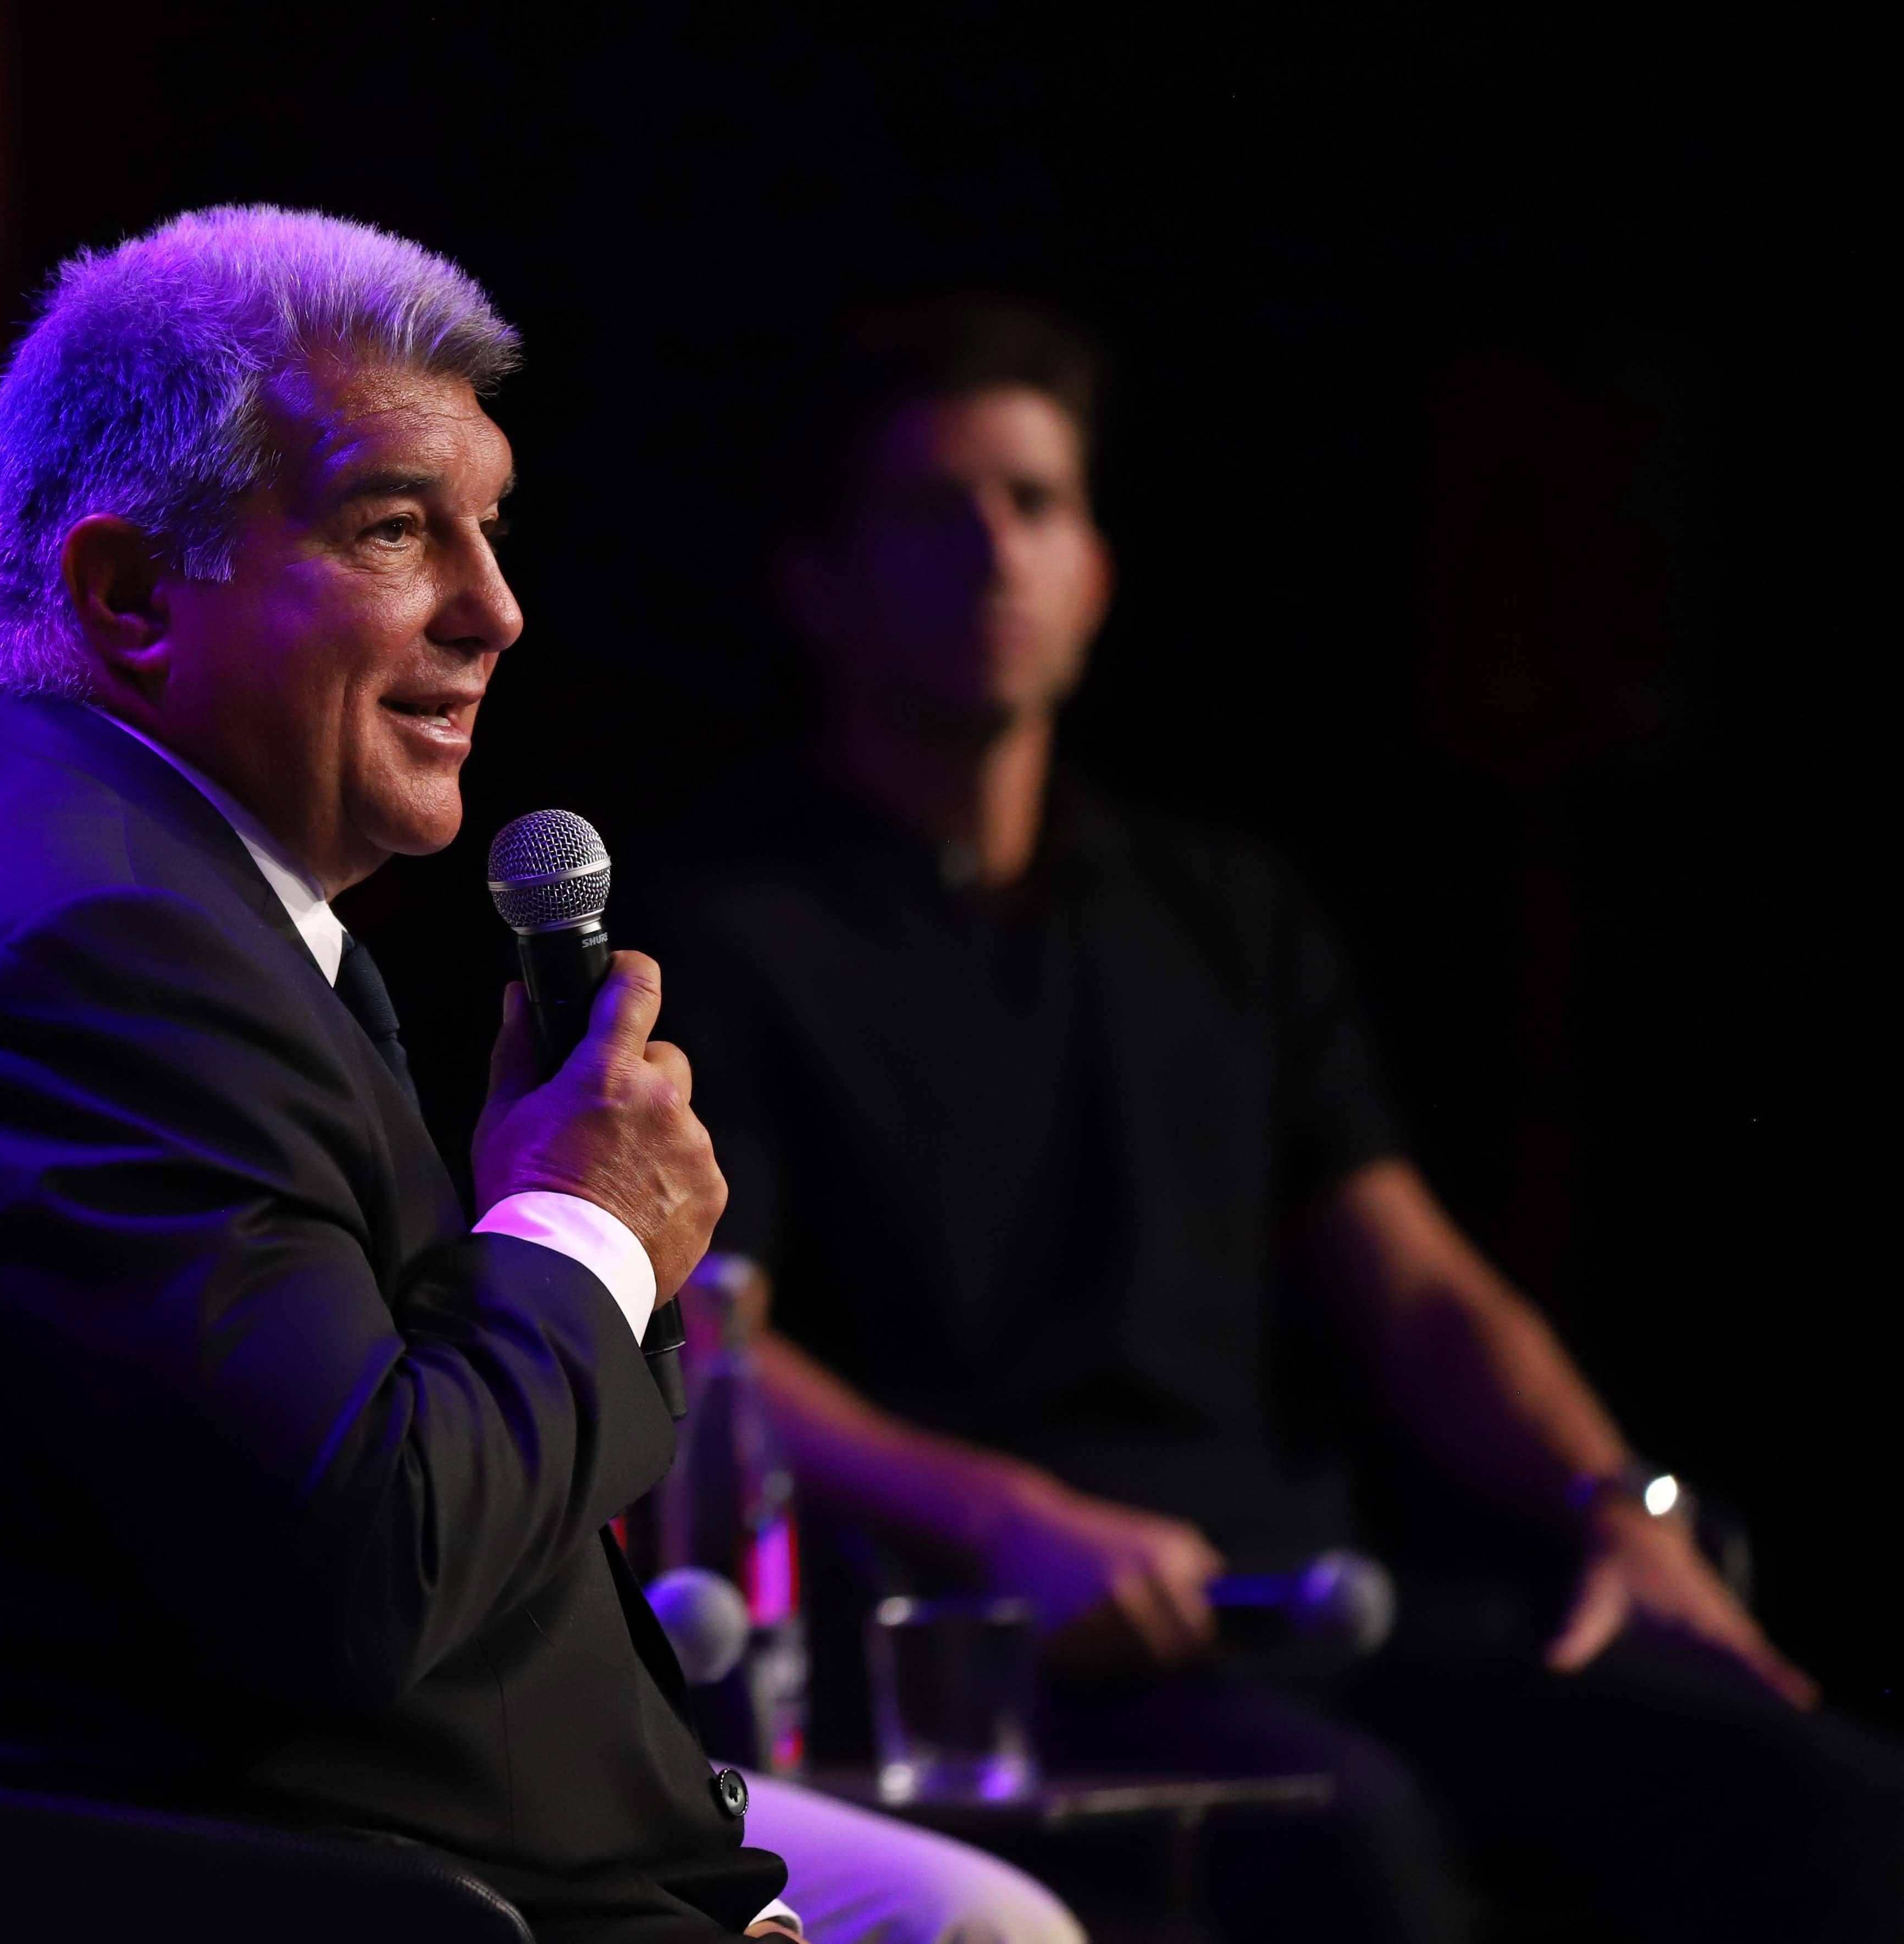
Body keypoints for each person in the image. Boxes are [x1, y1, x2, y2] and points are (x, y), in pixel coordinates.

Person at [0, 358, 1078, 1944]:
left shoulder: (164, 897)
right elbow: (366, 1577)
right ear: (135, 595)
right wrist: (582, 1230)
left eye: (491, 528)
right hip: (288, 1874)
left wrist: (557, 1237)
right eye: (397, 530)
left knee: (972, 1915)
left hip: (430, 1829)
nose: (497, 611)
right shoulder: (98, 957)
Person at [654, 295, 1904, 1942]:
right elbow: (706, 1329)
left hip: (1292, 1599)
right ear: (816, 585)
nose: (995, 551)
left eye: (1037, 504)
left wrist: (1625, 1506)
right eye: (931, 509)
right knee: (1354, 1849)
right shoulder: (736, 924)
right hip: (981, 1641)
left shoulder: (1221, 913)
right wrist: (1009, 1518)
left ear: (1097, 568)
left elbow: (1421, 1286)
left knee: (1827, 1799)